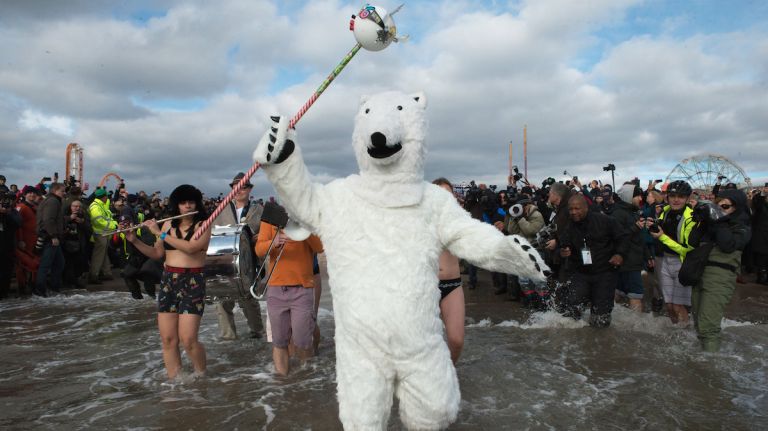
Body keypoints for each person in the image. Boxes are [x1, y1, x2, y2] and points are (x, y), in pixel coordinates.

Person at [126, 185, 212, 379]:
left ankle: (202, 376)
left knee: (189, 339)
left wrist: (160, 234)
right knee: (168, 339)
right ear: (177, 205)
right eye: (183, 203)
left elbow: (191, 248)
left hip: (193, 280)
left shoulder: (203, 224)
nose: (188, 206)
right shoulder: (167, 225)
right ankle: (176, 382)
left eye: (191, 202)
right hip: (169, 281)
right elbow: (157, 253)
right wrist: (134, 241)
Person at [256, 215, 323, 376]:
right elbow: (259, 250)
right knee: (279, 342)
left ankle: (307, 382)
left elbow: (320, 247)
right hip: (276, 288)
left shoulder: (306, 217)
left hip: (303, 287)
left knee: (303, 341)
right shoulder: (269, 218)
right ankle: (283, 384)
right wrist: (274, 241)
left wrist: (304, 227)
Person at [689, 190, 751, 351]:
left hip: (720, 277)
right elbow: (692, 241)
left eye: (725, 206)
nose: (720, 208)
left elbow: (727, 245)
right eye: (718, 205)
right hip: (700, 273)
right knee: (698, 322)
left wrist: (719, 220)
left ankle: (710, 366)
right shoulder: (713, 224)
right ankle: (701, 358)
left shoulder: (742, 226)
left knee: (708, 326)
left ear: (737, 207)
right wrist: (701, 221)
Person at [559, 195, 628, 327]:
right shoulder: (569, 225)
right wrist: (563, 251)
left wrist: (620, 254)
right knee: (571, 310)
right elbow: (564, 243)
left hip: (605, 272)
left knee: (601, 317)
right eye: (571, 209)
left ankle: (600, 344)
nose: (573, 212)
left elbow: (623, 238)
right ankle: (576, 342)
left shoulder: (605, 221)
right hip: (581, 273)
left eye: (577, 209)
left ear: (586, 208)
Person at [212, 173, 265, 340]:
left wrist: (260, 236)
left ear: (249, 189)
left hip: (250, 262)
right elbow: (212, 234)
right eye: (235, 187)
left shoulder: (259, 210)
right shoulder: (221, 210)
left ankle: (257, 334)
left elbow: (267, 232)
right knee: (222, 300)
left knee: (249, 300)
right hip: (225, 263)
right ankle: (228, 338)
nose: (238, 190)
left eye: (242, 187)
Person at [649, 180, 695, 325]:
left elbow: (688, 249)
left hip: (683, 263)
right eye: (673, 195)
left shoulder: (692, 217)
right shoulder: (665, 211)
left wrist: (662, 237)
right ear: (667, 197)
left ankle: (686, 337)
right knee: (668, 305)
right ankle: (678, 334)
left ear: (687, 198)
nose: (676, 199)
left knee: (678, 305)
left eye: (681, 196)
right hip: (664, 261)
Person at [433, 178, 465, 364]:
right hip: (426, 285)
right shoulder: (421, 219)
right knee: (423, 340)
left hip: (452, 285)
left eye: (448, 193)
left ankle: (448, 371)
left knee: (456, 340)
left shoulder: (460, 219)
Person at [612, 183, 649, 312]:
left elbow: (638, 239)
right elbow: (616, 237)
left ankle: (608, 319)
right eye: (638, 196)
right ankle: (637, 328)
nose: (641, 199)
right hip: (628, 262)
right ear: (628, 197)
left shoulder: (631, 212)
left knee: (617, 294)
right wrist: (635, 227)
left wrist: (647, 255)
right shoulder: (618, 214)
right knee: (636, 295)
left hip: (630, 261)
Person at [504, 196, 547, 307]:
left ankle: (542, 302)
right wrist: (513, 217)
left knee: (538, 279)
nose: (520, 209)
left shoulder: (537, 215)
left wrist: (520, 218)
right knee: (523, 279)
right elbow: (511, 230)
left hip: (536, 250)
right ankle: (530, 301)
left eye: (522, 207)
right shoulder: (519, 216)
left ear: (527, 205)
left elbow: (530, 231)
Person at [35, 183, 66, 297]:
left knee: (59, 263)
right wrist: (53, 236)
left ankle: (53, 288)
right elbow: (48, 220)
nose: (64, 193)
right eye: (62, 191)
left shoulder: (51, 200)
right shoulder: (53, 201)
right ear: (54, 190)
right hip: (49, 237)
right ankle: (40, 291)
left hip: (50, 236)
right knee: (46, 265)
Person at [15, 186, 42, 295]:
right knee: (22, 265)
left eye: (33, 193)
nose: (32, 195)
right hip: (25, 241)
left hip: (35, 240)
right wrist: (20, 240)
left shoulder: (35, 206)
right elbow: (18, 225)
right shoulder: (21, 207)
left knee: (35, 263)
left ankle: (32, 285)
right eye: (29, 193)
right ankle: (22, 286)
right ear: (24, 195)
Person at [88, 187, 118, 284]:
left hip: (104, 233)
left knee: (103, 254)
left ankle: (106, 273)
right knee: (98, 255)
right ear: (104, 197)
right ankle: (94, 275)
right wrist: (115, 225)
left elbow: (106, 219)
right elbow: (99, 221)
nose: (108, 198)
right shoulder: (96, 207)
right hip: (99, 234)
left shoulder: (100, 205)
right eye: (107, 197)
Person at [62, 200, 90, 289]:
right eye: (75, 206)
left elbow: (89, 229)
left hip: (79, 244)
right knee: (67, 264)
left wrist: (82, 222)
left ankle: (76, 282)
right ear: (71, 207)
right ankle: (67, 282)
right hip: (66, 243)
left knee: (78, 264)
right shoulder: (64, 214)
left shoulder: (84, 216)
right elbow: (59, 224)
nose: (77, 208)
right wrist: (69, 218)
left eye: (79, 207)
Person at [0, 191, 21, 299]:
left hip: (8, 246)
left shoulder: (12, 212)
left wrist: (6, 214)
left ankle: (4, 293)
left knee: (7, 270)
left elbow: (17, 225)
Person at [750, 185, 768, 285]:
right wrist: (763, 194)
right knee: (762, 256)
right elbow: (757, 205)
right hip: (761, 233)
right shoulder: (759, 200)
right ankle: (761, 277)